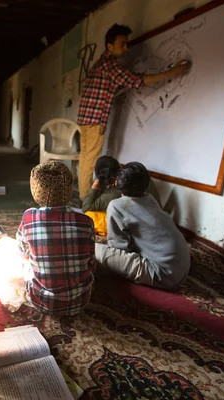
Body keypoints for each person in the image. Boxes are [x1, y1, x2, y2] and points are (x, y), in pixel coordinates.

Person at [76, 23, 191, 200]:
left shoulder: (100, 64)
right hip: (95, 120)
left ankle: (84, 196)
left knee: (85, 159)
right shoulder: (111, 65)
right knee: (90, 161)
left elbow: (116, 86)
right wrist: (172, 73)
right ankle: (86, 200)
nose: (126, 48)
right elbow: (137, 81)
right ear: (109, 46)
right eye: (122, 44)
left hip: (85, 119)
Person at [17, 161, 96, 316]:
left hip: (40, 301)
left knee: (23, 260)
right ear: (69, 189)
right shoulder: (86, 221)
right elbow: (91, 262)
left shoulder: (29, 217)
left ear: (35, 189)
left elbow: (22, 252)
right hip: (80, 300)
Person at [95, 162, 190, 289]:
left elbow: (119, 248)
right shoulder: (150, 199)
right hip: (181, 268)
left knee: (93, 250)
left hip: (161, 274)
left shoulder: (116, 205)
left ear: (117, 183)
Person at [82, 156, 122, 235]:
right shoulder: (118, 181)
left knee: (89, 215)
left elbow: (86, 208)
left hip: (119, 225)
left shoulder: (113, 193)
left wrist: (94, 187)